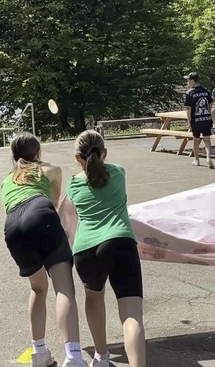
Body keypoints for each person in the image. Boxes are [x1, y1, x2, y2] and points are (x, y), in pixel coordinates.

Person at [1, 132, 87, 367]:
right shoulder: (51, 171)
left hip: (12, 226)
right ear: (37, 153)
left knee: (38, 288)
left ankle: (39, 352)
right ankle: (73, 356)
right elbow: (54, 205)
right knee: (64, 287)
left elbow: (17, 210)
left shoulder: (7, 180)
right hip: (39, 211)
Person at [67, 130, 146, 367]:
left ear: (77, 158)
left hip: (85, 251)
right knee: (131, 316)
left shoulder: (73, 185)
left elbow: (68, 215)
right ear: (105, 153)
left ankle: (101, 355)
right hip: (119, 243)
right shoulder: (119, 173)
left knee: (93, 298)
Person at [183, 72, 214, 168]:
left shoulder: (189, 93)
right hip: (207, 119)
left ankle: (196, 160)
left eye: (188, 81)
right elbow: (211, 104)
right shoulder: (205, 91)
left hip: (196, 120)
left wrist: (189, 121)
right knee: (207, 140)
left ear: (192, 81)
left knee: (196, 140)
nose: (187, 83)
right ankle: (208, 158)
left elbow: (189, 109)